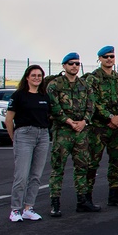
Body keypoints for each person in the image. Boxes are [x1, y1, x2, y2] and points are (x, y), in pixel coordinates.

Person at [47, 52, 96, 216]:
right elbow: (54, 107)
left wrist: (84, 121)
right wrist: (68, 121)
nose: (74, 66)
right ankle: (55, 203)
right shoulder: (55, 85)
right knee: (58, 168)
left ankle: (82, 201)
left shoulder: (85, 85)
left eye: (77, 64)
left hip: (81, 131)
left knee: (82, 167)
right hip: (63, 131)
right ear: (64, 66)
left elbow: (91, 106)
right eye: (71, 63)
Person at [83, 45, 118, 207]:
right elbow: (93, 102)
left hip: (117, 128)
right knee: (92, 162)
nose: (109, 59)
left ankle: (114, 193)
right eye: (105, 57)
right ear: (100, 59)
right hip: (99, 127)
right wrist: (110, 118)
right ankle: (86, 196)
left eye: (111, 56)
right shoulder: (93, 78)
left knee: (117, 161)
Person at [5, 65, 51, 222]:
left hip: (43, 135)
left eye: (39, 75)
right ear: (27, 77)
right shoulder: (19, 96)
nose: (37, 78)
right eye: (34, 75)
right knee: (21, 175)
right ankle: (15, 210)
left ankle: (28, 208)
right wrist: (14, 137)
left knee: (36, 176)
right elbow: (9, 119)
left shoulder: (45, 96)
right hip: (24, 134)